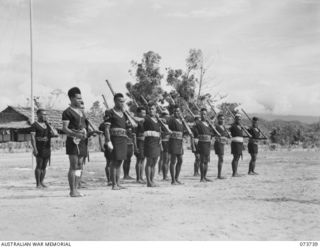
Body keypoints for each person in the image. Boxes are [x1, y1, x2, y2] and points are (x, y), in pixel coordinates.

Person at [62, 87, 89, 197]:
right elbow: (65, 128)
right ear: (72, 98)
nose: (80, 100)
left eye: (81, 98)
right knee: (73, 165)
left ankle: (77, 188)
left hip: (82, 142)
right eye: (78, 98)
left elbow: (84, 126)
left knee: (80, 166)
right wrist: (75, 134)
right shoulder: (67, 112)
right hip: (72, 141)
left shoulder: (82, 112)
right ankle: (72, 190)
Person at [104, 93, 129, 190]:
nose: (122, 103)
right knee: (114, 162)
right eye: (120, 101)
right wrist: (108, 140)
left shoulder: (124, 114)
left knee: (120, 162)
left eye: (123, 101)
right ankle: (113, 184)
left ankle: (118, 183)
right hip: (114, 139)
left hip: (123, 139)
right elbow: (106, 128)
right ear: (115, 101)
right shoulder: (109, 112)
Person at [31, 108, 58, 188]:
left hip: (47, 148)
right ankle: (38, 183)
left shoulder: (48, 125)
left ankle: (42, 182)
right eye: (43, 114)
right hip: (39, 148)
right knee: (39, 166)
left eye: (46, 114)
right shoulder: (34, 125)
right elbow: (32, 138)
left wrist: (49, 125)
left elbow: (55, 134)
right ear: (38, 115)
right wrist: (34, 149)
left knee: (44, 166)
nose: (44, 116)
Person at [193, 108, 214, 182]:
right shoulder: (198, 123)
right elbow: (194, 132)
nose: (203, 115)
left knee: (206, 161)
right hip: (202, 143)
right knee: (202, 160)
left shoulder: (208, 124)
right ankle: (202, 178)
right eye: (201, 114)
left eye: (204, 114)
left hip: (208, 143)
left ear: (207, 115)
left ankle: (205, 177)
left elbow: (211, 133)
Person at [144, 103, 162, 187]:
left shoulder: (158, 120)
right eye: (150, 109)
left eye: (153, 109)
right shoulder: (146, 118)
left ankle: (152, 180)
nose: (151, 110)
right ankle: (148, 182)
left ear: (156, 110)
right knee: (149, 162)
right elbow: (138, 119)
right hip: (149, 142)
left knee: (154, 162)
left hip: (157, 142)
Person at [168, 106, 185, 185]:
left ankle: (176, 178)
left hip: (180, 142)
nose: (176, 113)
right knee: (173, 161)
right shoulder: (171, 120)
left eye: (178, 111)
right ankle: (172, 180)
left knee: (180, 160)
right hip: (174, 141)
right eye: (175, 111)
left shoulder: (182, 121)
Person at [214, 113, 230, 179]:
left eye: (223, 119)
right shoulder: (216, 126)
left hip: (222, 144)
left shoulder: (223, 127)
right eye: (221, 119)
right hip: (218, 143)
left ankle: (219, 174)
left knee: (221, 159)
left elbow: (225, 134)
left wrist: (227, 135)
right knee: (221, 158)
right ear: (218, 119)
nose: (222, 120)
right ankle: (219, 175)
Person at [229, 113, 245, 177]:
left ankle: (235, 172)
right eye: (237, 119)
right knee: (235, 158)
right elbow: (229, 129)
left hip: (240, 143)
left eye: (240, 119)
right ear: (235, 119)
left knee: (237, 158)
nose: (239, 120)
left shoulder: (240, 126)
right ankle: (234, 173)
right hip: (235, 143)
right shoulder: (233, 126)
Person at [134, 107, 146, 184]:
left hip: (145, 142)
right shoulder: (135, 122)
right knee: (139, 160)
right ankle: (138, 178)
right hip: (139, 142)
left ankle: (141, 177)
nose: (144, 114)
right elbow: (134, 135)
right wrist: (135, 146)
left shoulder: (144, 122)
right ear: (138, 113)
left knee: (143, 160)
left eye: (145, 113)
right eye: (142, 113)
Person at [99, 116, 112, 186]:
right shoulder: (102, 125)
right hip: (108, 144)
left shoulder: (113, 123)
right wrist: (101, 146)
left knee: (115, 162)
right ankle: (109, 180)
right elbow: (100, 136)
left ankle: (113, 179)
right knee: (109, 162)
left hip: (115, 144)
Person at [158, 111, 171, 180]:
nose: (167, 118)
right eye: (166, 116)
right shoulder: (160, 124)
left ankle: (166, 173)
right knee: (164, 159)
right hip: (164, 142)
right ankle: (164, 176)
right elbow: (160, 133)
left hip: (169, 142)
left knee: (168, 159)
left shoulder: (168, 124)